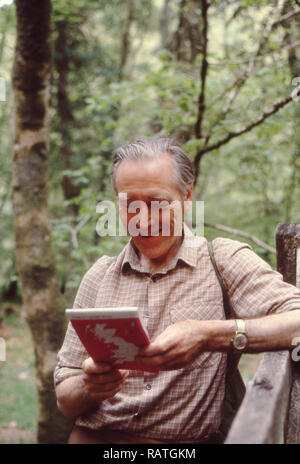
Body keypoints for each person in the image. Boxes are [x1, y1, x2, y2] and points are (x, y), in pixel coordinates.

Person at [54, 137, 300, 444]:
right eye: (130, 205)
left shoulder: (221, 260)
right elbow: (65, 400)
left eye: (157, 203)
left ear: (187, 197)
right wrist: (90, 385)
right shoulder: (99, 276)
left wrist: (208, 334)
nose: (143, 220)